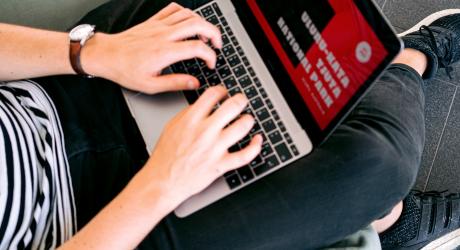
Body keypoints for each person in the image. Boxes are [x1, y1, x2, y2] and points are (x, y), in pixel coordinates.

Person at [0, 0, 459, 248]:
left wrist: (92, 52)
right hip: (105, 222)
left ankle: (371, 204)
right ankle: (405, 62)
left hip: (59, 87)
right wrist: (160, 184)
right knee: (379, 161)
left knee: (229, 19)